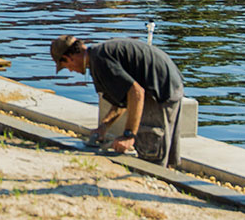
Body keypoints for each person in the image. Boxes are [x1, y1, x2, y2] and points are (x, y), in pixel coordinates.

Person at [51, 34, 184, 168]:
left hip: (159, 89)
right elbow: (122, 99)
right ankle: (165, 170)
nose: (70, 70)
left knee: (151, 147)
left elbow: (136, 92)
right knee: (162, 147)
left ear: (69, 57)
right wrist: (104, 126)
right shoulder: (97, 56)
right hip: (167, 81)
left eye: (65, 66)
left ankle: (157, 174)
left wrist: (128, 135)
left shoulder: (100, 60)